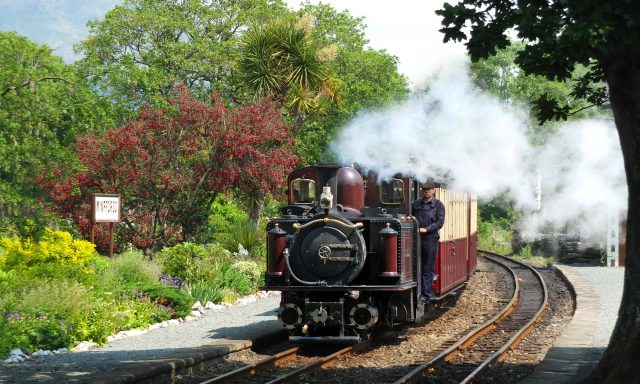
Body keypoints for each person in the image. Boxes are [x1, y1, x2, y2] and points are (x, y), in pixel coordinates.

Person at [412, 180, 445, 304]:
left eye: (428, 189)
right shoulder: (415, 204)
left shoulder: (438, 205)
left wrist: (426, 229)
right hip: (415, 239)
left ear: (433, 190)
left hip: (430, 239)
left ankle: (425, 294)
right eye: (424, 189)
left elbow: (440, 222)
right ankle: (416, 292)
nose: (426, 191)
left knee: (427, 267)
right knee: (415, 266)